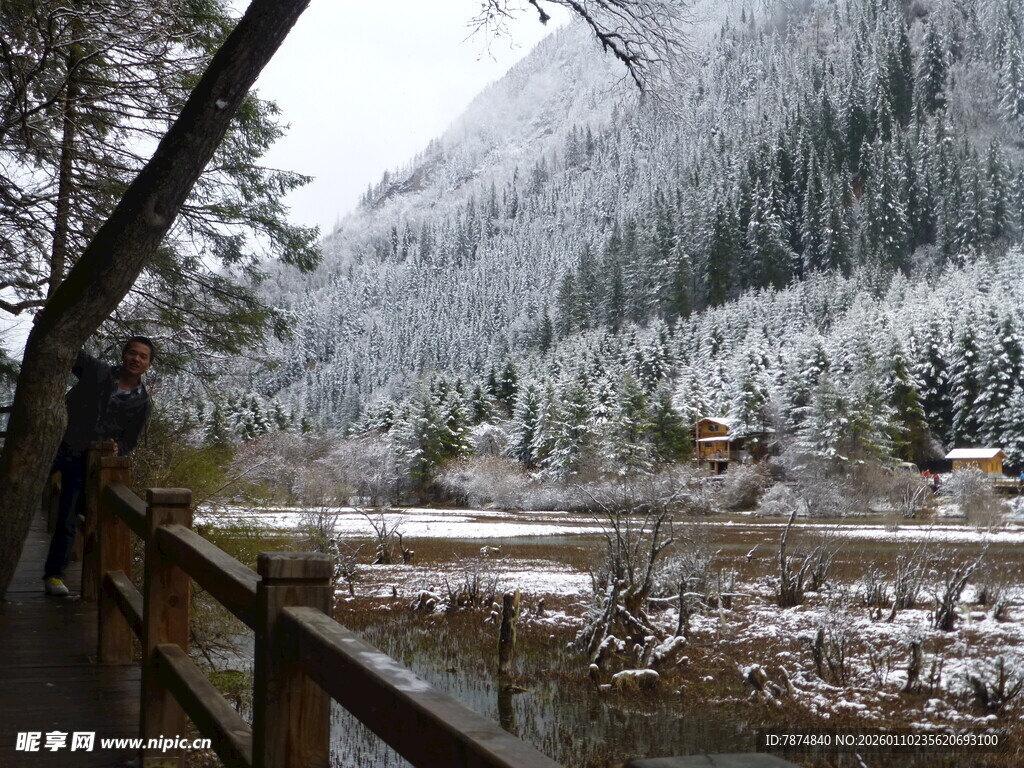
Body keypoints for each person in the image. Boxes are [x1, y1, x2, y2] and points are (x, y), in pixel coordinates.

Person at [43, 337, 154, 596]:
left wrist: (118, 448)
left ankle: (54, 575)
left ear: (149, 365)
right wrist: (48, 325)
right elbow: (71, 351)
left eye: (143, 356)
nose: (136, 359)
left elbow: (130, 439)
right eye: (132, 353)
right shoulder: (98, 372)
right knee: (17, 492)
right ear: (124, 354)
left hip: (87, 460)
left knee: (69, 516)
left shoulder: (142, 403)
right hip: (56, 443)